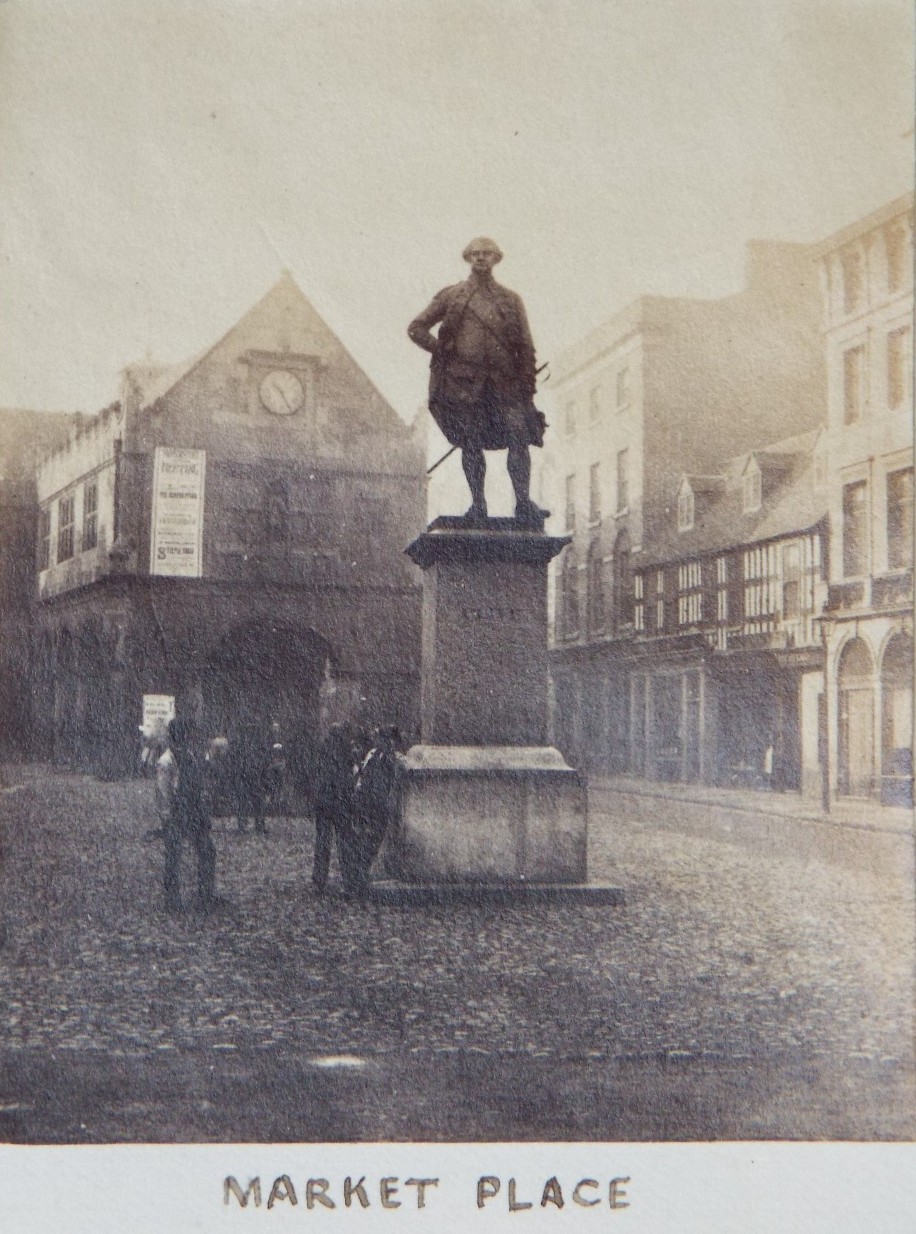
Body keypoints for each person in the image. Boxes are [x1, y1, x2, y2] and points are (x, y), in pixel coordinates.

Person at [408, 236, 548, 526]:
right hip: (465, 385)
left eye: (486, 253)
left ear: (496, 258)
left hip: (505, 384)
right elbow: (416, 328)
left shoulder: (510, 300)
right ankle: (478, 505)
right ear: (468, 258)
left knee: (518, 439)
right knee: (470, 442)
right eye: (475, 254)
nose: (481, 258)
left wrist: (527, 386)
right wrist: (441, 349)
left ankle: (523, 503)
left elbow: (526, 344)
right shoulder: (452, 296)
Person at [157, 717, 218, 913]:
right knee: (173, 855)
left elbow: (198, 783)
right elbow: (163, 791)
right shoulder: (166, 761)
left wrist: (203, 807)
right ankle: (172, 898)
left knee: (207, 850)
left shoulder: (190, 756)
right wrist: (166, 816)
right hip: (177, 811)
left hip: (193, 810)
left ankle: (206, 894)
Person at [349, 725, 402, 896]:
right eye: (378, 737)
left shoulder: (391, 758)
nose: (377, 740)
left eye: (380, 738)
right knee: (368, 838)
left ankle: (362, 873)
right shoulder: (374, 755)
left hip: (381, 803)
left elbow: (392, 781)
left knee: (374, 838)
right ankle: (360, 875)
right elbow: (365, 776)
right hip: (370, 802)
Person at [311, 719, 360, 893]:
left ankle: (319, 879)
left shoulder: (323, 750)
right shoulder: (345, 752)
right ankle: (349, 879)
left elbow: (319, 775)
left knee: (323, 843)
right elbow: (347, 778)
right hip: (339, 803)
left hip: (325, 802)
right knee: (345, 843)